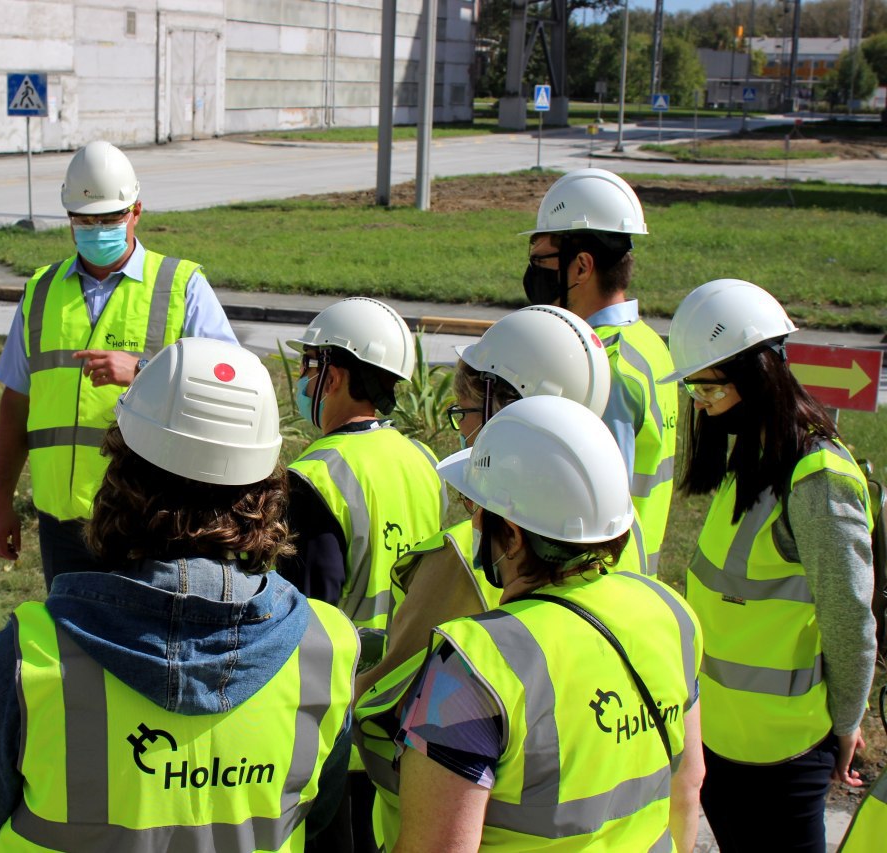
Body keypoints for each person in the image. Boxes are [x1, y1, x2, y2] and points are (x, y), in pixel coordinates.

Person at [0, 338, 359, 851]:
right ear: (265, 491)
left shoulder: (35, 653)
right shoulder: (323, 648)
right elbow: (318, 815)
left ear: (121, 476)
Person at [352, 304, 637, 850]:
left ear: (503, 406)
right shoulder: (616, 526)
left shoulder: (464, 554)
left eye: (464, 412)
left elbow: (381, 712)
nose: (462, 429)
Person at [393, 396, 704, 852]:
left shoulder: (472, 662)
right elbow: (688, 785)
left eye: (478, 509)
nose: (474, 522)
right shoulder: (670, 612)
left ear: (512, 535)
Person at [660, 278, 876, 853]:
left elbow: (850, 621)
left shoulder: (818, 480)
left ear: (756, 375)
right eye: (694, 390)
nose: (700, 404)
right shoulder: (752, 458)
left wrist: (847, 724)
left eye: (709, 388)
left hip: (785, 755)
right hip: (720, 743)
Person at [0, 140, 238, 584]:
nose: (97, 229)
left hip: (150, 521)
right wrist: (1, 503)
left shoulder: (181, 286)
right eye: (85, 220)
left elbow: (230, 389)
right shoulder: (41, 292)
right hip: (62, 524)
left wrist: (142, 372)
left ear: (136, 211)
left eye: (109, 218)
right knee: (70, 630)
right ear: (69, 218)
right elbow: (15, 405)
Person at [522, 168, 677, 575]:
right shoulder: (647, 343)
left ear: (581, 267)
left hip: (600, 578)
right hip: (632, 571)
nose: (533, 273)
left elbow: (596, 502)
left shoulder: (603, 366)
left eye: (540, 261)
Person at [279, 296, 444, 633]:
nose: (301, 377)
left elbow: (309, 619)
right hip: (411, 658)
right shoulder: (426, 459)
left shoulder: (314, 478)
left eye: (307, 365)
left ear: (331, 379)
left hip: (347, 664)